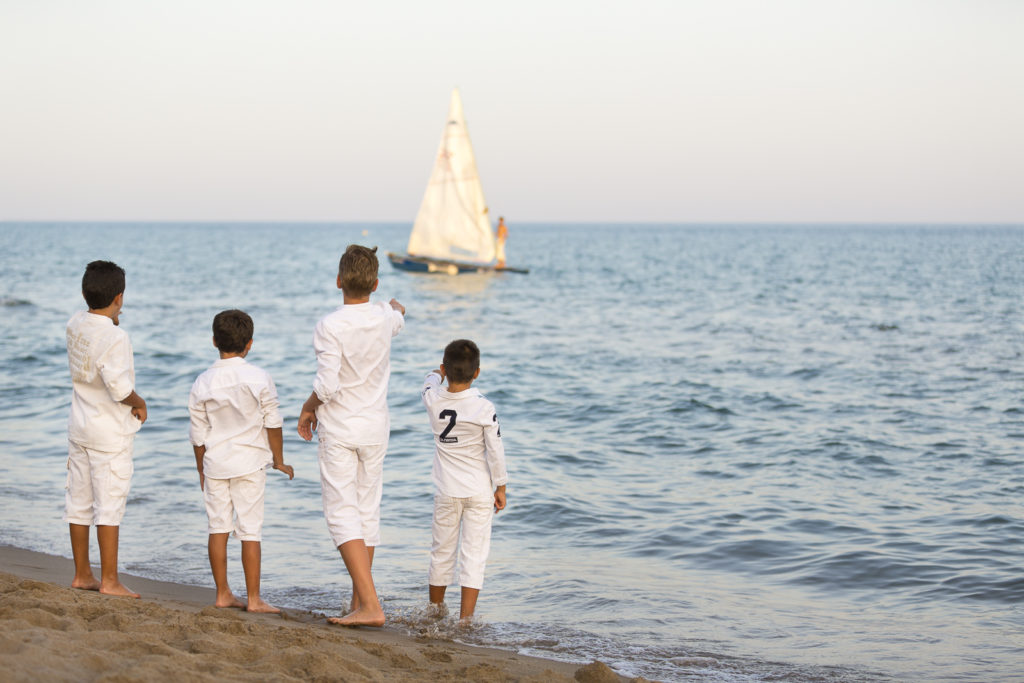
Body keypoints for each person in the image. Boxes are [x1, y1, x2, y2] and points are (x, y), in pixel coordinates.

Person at [297, 245, 405, 627]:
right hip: (376, 427)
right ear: (375, 284)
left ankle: (371, 606)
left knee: (341, 512)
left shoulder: (330, 325)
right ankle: (360, 602)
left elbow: (326, 385)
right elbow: (397, 316)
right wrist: (395, 307)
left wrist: (308, 407)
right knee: (366, 510)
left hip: (342, 428)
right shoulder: (383, 317)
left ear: (339, 281)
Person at [188, 309, 294, 613]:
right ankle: (254, 598)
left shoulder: (203, 382)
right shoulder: (259, 377)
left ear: (213, 341)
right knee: (250, 530)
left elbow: (198, 434)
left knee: (217, 528)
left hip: (216, 463)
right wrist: (279, 460)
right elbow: (273, 422)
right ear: (249, 344)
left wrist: (201, 470)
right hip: (249, 464)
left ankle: (222, 593)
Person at [64, 260, 147, 598]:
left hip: (79, 426)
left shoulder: (74, 323)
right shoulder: (116, 336)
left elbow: (91, 346)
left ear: (85, 293)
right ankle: (109, 580)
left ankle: (83, 574)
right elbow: (119, 388)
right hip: (108, 433)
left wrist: (108, 317)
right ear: (120, 298)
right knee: (109, 503)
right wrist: (140, 403)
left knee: (79, 502)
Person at [421, 339, 508, 620]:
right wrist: (501, 486)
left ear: (446, 368)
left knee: (441, 551)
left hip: (446, 490)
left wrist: (437, 374)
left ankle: (435, 611)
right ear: (477, 372)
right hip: (478, 492)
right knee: (474, 555)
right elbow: (495, 450)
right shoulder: (484, 407)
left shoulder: (432, 397)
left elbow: (429, 380)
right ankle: (465, 620)